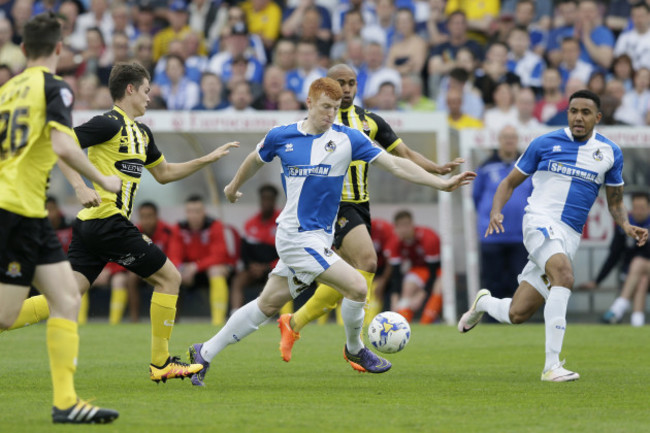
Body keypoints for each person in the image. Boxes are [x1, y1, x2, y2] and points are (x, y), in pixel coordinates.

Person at [187, 77, 476, 386]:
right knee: (357, 286)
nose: (330, 115)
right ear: (309, 102)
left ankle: (204, 351)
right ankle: (355, 349)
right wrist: (232, 188)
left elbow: (395, 164)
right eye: (325, 107)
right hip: (295, 235)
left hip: (319, 238)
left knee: (267, 305)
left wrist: (441, 183)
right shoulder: (281, 136)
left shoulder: (348, 139)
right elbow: (254, 160)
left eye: (336, 109)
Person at [8, 61, 239, 383]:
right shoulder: (108, 123)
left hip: (91, 226)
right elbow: (59, 146)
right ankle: (161, 364)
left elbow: (164, 173)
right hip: (106, 221)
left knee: (65, 297)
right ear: (129, 89)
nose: (149, 97)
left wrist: (206, 159)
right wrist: (79, 186)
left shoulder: (142, 134)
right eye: (146, 90)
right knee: (169, 278)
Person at [276, 63, 464, 362]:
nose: (347, 88)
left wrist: (436, 169)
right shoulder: (318, 120)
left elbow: (404, 155)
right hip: (334, 204)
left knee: (351, 277)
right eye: (340, 82)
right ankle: (354, 346)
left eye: (351, 83)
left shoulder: (369, 122)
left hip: (360, 205)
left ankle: (294, 322)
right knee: (368, 261)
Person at [458, 90, 649, 382]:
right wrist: (496, 210)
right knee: (564, 275)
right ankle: (552, 366)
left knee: (517, 313)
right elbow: (509, 182)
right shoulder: (544, 143)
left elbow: (614, 202)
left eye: (586, 112)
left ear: (597, 117)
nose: (578, 117)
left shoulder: (610, 152)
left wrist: (626, 226)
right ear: (568, 113)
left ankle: (483, 303)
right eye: (573, 111)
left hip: (569, 236)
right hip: (539, 221)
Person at [0, 12, 119, 423]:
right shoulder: (55, 87)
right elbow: (63, 146)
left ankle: (67, 403)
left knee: (66, 297)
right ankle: (66, 403)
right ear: (58, 48)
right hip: (17, 210)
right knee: (5, 315)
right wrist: (101, 178)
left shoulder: (8, 88)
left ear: (23, 47)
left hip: (25, 209)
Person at [472, 126, 532, 317]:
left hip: (521, 235)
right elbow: (476, 196)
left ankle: (518, 316)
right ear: (499, 140)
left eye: (512, 137)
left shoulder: (528, 165)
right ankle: (492, 318)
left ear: (517, 140)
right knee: (493, 280)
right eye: (505, 137)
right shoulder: (486, 166)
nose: (509, 141)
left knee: (520, 280)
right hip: (492, 236)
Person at [581, 192, 650, 326]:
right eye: (636, 207)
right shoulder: (625, 226)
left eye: (642, 208)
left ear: (649, 208)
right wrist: (597, 281)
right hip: (631, 276)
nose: (638, 211)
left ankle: (617, 309)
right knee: (642, 280)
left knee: (638, 263)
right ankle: (637, 323)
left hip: (639, 270)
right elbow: (613, 256)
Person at [168, 195, 234, 325]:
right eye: (190, 211)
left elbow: (219, 256)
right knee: (170, 274)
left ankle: (217, 321)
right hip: (187, 272)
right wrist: (182, 268)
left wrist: (196, 267)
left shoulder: (215, 225)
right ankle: (169, 321)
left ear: (204, 212)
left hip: (209, 269)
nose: (194, 215)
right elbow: (173, 256)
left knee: (216, 271)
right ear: (186, 213)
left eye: (197, 211)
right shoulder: (178, 228)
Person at [230, 184, 281, 313]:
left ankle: (262, 314)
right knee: (238, 280)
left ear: (275, 200)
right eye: (264, 199)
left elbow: (285, 252)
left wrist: (268, 267)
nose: (266, 202)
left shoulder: (282, 222)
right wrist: (251, 266)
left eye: (269, 199)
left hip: (274, 268)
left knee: (275, 281)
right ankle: (235, 313)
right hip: (253, 269)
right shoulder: (250, 223)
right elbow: (244, 250)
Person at [388, 210, 442, 324]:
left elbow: (433, 271)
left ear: (412, 224)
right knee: (407, 288)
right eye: (400, 226)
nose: (404, 229)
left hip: (438, 270)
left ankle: (425, 323)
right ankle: (402, 324)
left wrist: (421, 295)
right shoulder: (395, 242)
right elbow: (396, 274)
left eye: (407, 225)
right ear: (395, 228)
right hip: (418, 269)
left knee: (439, 286)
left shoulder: (428, 238)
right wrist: (395, 298)